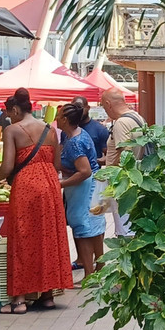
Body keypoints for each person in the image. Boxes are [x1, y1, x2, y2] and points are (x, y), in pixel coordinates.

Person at [0, 88, 72, 314]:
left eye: (9, 113)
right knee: (47, 238)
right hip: (50, 186)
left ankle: (19, 299)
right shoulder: (50, 130)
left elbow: (7, 166)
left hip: (26, 186)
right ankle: (46, 295)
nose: (8, 117)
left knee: (22, 237)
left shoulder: (13, 130)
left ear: (15, 109)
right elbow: (56, 165)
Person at [56, 103, 106, 276]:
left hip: (85, 188)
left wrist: (60, 184)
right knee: (94, 226)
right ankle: (99, 268)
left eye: (58, 114)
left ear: (65, 119)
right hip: (90, 185)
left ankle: (89, 275)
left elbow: (84, 171)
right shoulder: (75, 134)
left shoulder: (75, 142)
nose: (55, 117)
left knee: (83, 228)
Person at [100, 88, 147, 237]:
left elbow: (124, 154)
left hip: (122, 184)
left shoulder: (121, 122)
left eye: (103, 106)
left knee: (125, 229)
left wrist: (107, 171)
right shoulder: (137, 117)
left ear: (108, 104)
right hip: (136, 180)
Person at [61, 96, 110, 161]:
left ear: (88, 108)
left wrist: (93, 162)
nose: (78, 111)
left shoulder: (100, 130)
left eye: (80, 107)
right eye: (74, 108)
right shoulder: (66, 130)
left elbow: (109, 156)